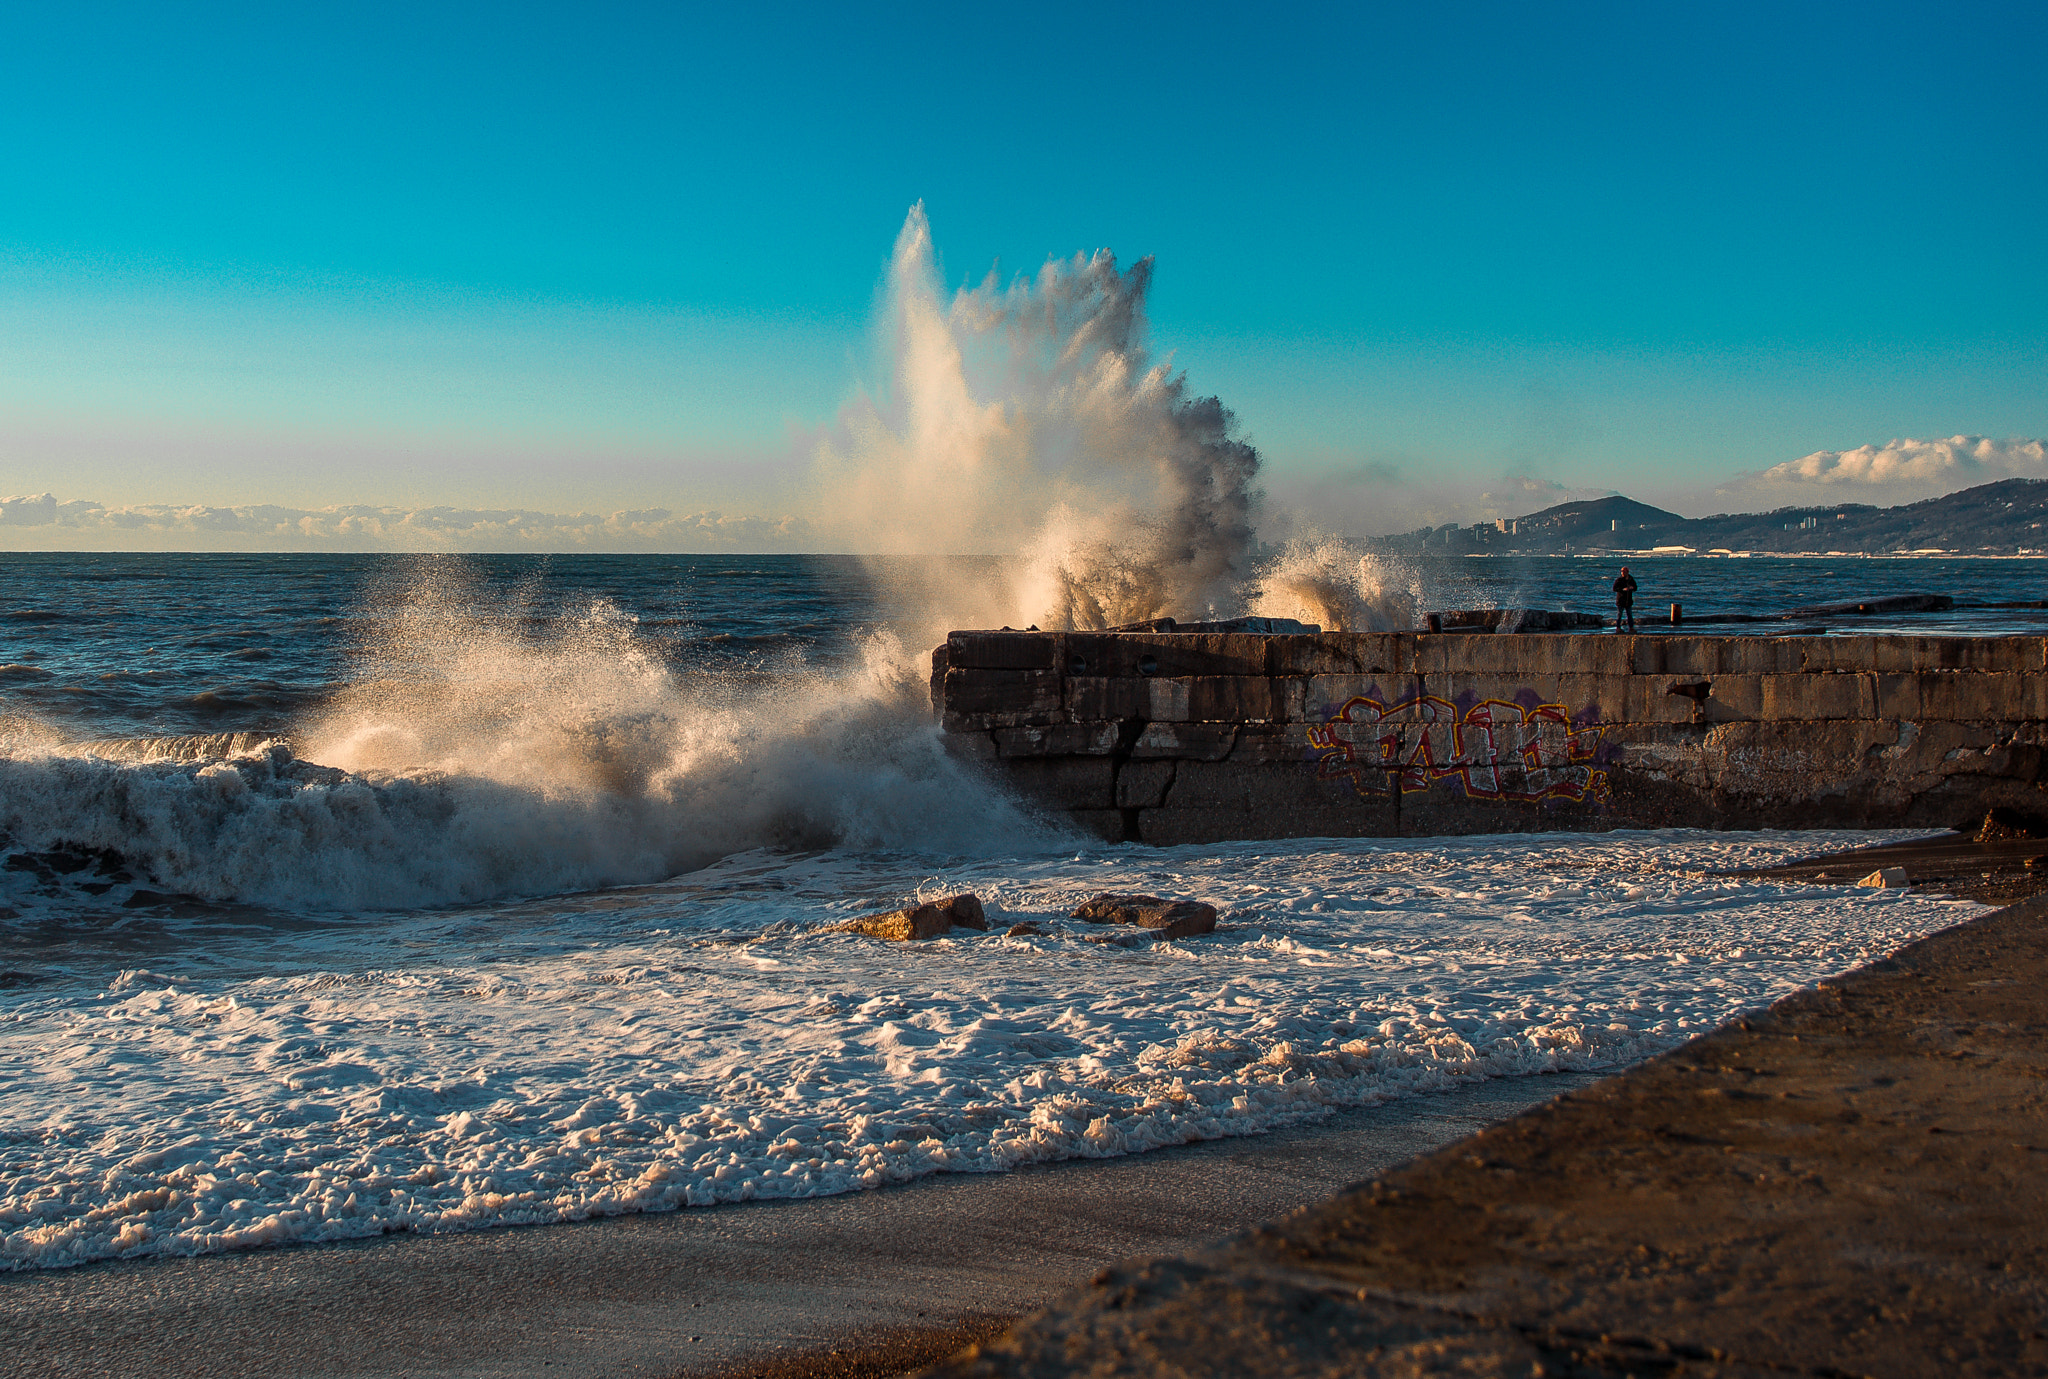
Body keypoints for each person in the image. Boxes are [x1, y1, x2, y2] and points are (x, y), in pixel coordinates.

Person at [1612, 566, 1638, 633]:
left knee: (1629, 615)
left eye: (1624, 572)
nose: (1623, 573)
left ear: (1627, 572)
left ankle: (1631, 628)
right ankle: (1618, 628)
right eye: (1622, 572)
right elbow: (1614, 589)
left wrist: (1632, 588)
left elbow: (1635, 587)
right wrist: (1623, 589)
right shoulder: (1619, 580)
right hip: (1621, 600)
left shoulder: (1630, 579)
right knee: (1619, 615)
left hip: (1628, 600)